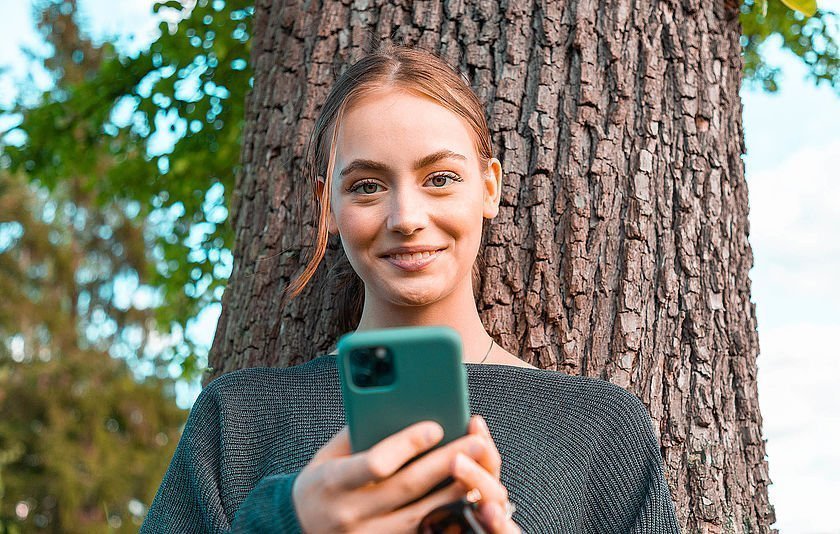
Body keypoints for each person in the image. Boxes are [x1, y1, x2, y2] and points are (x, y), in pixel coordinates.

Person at [141, 43, 681, 533]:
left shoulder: (600, 430)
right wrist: (287, 522)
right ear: (328, 206)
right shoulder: (238, 417)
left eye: (440, 178)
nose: (407, 217)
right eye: (368, 186)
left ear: (489, 189)